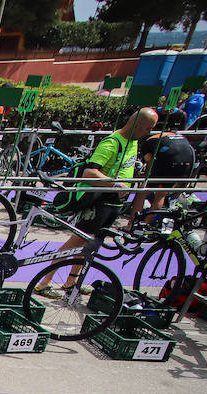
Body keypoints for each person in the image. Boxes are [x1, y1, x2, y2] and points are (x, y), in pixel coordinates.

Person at [36, 107, 157, 295]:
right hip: (99, 203)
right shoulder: (111, 143)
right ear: (137, 124)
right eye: (148, 128)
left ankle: (72, 282)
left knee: (90, 245)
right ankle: (44, 282)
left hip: (114, 204)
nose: (149, 133)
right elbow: (89, 173)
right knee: (75, 243)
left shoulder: (133, 143)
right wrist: (116, 185)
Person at [130, 109, 196, 223]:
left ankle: (132, 224)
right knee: (161, 194)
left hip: (170, 159)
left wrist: (144, 176)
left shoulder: (148, 142)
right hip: (188, 158)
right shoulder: (173, 135)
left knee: (142, 191)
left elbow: (150, 166)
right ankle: (146, 224)